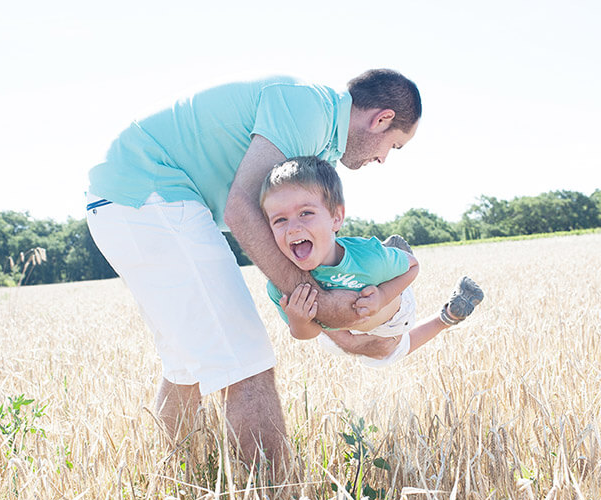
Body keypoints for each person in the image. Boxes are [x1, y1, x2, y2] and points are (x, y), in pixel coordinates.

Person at [85, 69, 422, 473]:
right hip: (150, 193)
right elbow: (241, 209)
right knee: (247, 361)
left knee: (187, 365)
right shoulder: (310, 109)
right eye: (395, 146)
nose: (383, 158)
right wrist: (325, 305)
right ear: (381, 119)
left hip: (126, 200)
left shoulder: (320, 136)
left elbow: (284, 237)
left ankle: (190, 488)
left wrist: (333, 314)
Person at [260, 156, 483, 366]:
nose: (293, 228)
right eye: (280, 220)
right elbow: (307, 334)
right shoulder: (280, 285)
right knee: (378, 355)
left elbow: (414, 265)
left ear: (336, 218)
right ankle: (447, 315)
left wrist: (383, 296)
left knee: (388, 348)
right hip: (339, 329)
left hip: (388, 313)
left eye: (305, 213)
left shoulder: (368, 258)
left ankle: (393, 260)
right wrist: (299, 322)